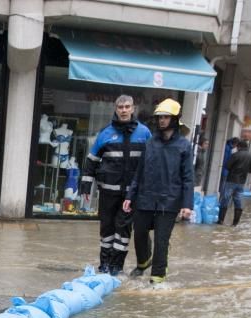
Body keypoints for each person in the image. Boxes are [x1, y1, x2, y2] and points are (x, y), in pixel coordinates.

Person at [123, 98, 194, 288]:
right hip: (145, 197)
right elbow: (139, 172)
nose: (162, 120)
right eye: (160, 117)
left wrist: (187, 205)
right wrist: (130, 196)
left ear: (175, 119)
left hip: (169, 201)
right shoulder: (150, 143)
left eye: (166, 117)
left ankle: (158, 276)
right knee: (139, 233)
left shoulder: (184, 146)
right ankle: (143, 261)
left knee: (162, 240)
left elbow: (188, 178)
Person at [80, 95, 152, 275]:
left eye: (127, 106)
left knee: (123, 231)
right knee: (107, 229)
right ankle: (104, 265)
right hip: (107, 192)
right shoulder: (105, 133)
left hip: (130, 195)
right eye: (120, 107)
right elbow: (92, 161)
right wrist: (86, 187)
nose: (124, 110)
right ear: (116, 109)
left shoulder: (144, 133)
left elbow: (151, 163)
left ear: (133, 109)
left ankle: (116, 267)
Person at [219, 140, 251, 226]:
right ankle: (235, 223)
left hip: (231, 180)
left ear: (239, 147)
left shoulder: (235, 155)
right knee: (238, 201)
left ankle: (220, 221)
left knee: (225, 199)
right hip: (241, 182)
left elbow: (227, 166)